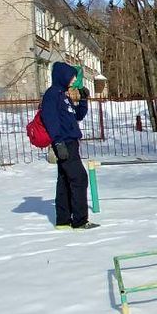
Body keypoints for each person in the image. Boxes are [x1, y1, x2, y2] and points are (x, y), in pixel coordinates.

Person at [41, 62, 98, 230]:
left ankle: (63, 220)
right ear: (62, 76)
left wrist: (83, 100)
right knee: (79, 178)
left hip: (71, 143)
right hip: (64, 143)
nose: (74, 80)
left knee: (65, 181)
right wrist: (57, 142)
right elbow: (50, 119)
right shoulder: (52, 94)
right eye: (72, 76)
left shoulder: (63, 95)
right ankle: (80, 221)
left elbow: (77, 115)